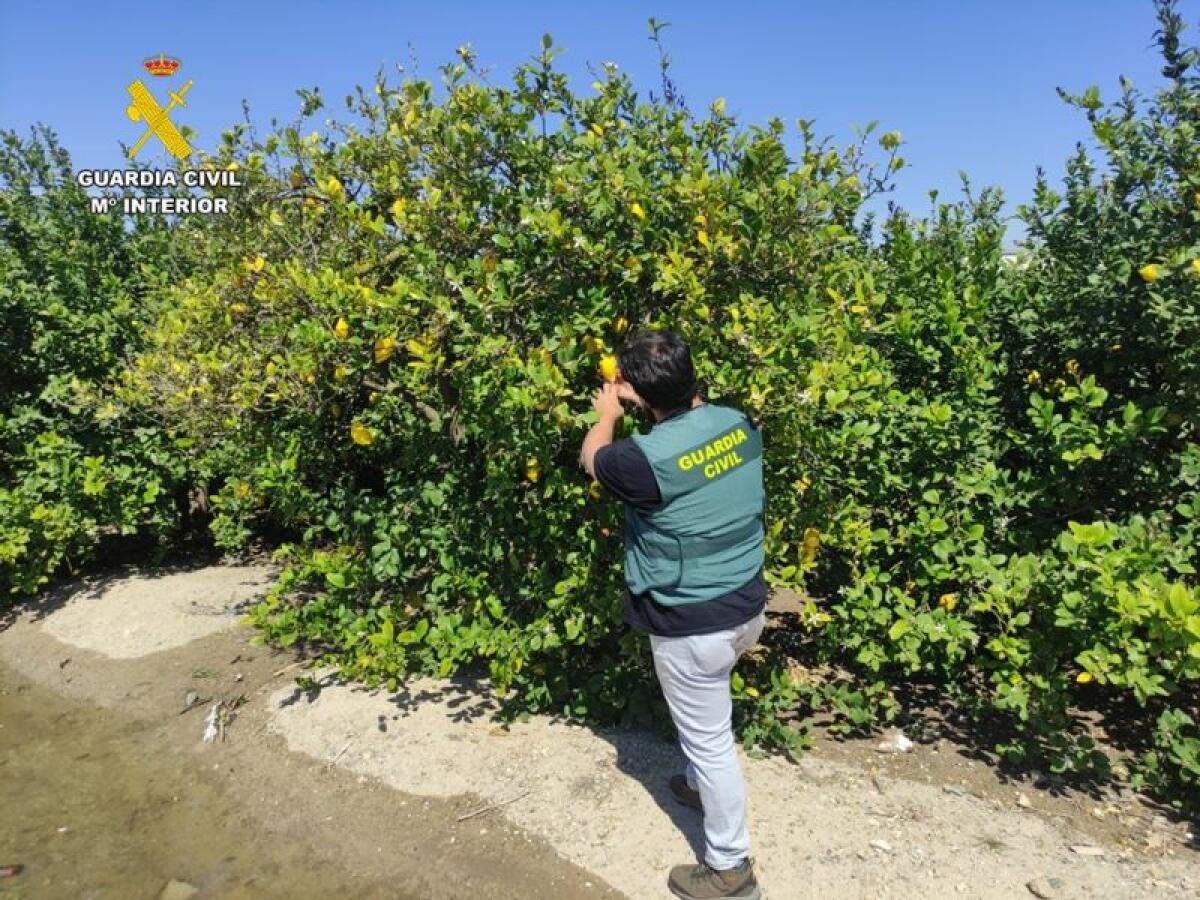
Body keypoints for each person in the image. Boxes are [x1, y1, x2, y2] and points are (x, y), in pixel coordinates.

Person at [580, 330, 766, 900]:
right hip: (745, 603)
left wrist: (608, 413)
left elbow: (593, 460)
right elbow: (689, 454)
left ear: (636, 391)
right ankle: (696, 785)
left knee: (710, 739)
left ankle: (730, 868)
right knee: (708, 721)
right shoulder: (739, 423)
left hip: (693, 622)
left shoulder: (639, 460)